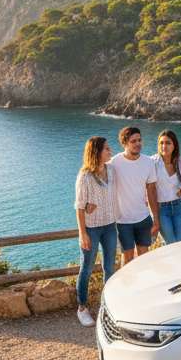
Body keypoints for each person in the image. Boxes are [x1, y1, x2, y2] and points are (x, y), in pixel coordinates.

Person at [74, 136, 117, 327]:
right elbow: (79, 207)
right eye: (107, 149)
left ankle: (106, 305)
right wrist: (82, 233)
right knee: (87, 268)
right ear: (97, 152)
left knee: (110, 268)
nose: (111, 151)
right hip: (91, 229)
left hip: (110, 226)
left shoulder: (111, 170)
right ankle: (82, 308)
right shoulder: (85, 177)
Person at [110, 126, 159, 265]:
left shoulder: (148, 162)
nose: (138, 143)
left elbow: (151, 191)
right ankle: (127, 286)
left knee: (144, 259)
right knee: (128, 259)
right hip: (122, 221)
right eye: (133, 141)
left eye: (139, 140)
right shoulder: (114, 163)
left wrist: (156, 219)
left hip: (143, 219)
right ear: (124, 143)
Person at [152, 129, 181, 244]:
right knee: (172, 244)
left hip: (178, 206)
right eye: (161, 143)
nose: (164, 146)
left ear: (174, 145)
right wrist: (154, 215)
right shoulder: (152, 162)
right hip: (161, 209)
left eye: (168, 143)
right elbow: (148, 189)